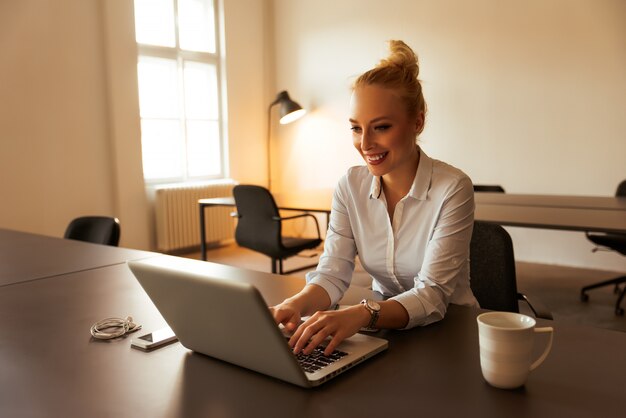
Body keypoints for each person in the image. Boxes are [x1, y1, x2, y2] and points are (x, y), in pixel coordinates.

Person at [270, 40, 478, 356]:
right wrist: (295, 304)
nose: (365, 143)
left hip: (449, 331)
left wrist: (363, 313)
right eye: (356, 128)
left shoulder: (453, 188)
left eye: (380, 127)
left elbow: (432, 296)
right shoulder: (349, 186)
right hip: (384, 330)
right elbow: (332, 273)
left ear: (417, 122)